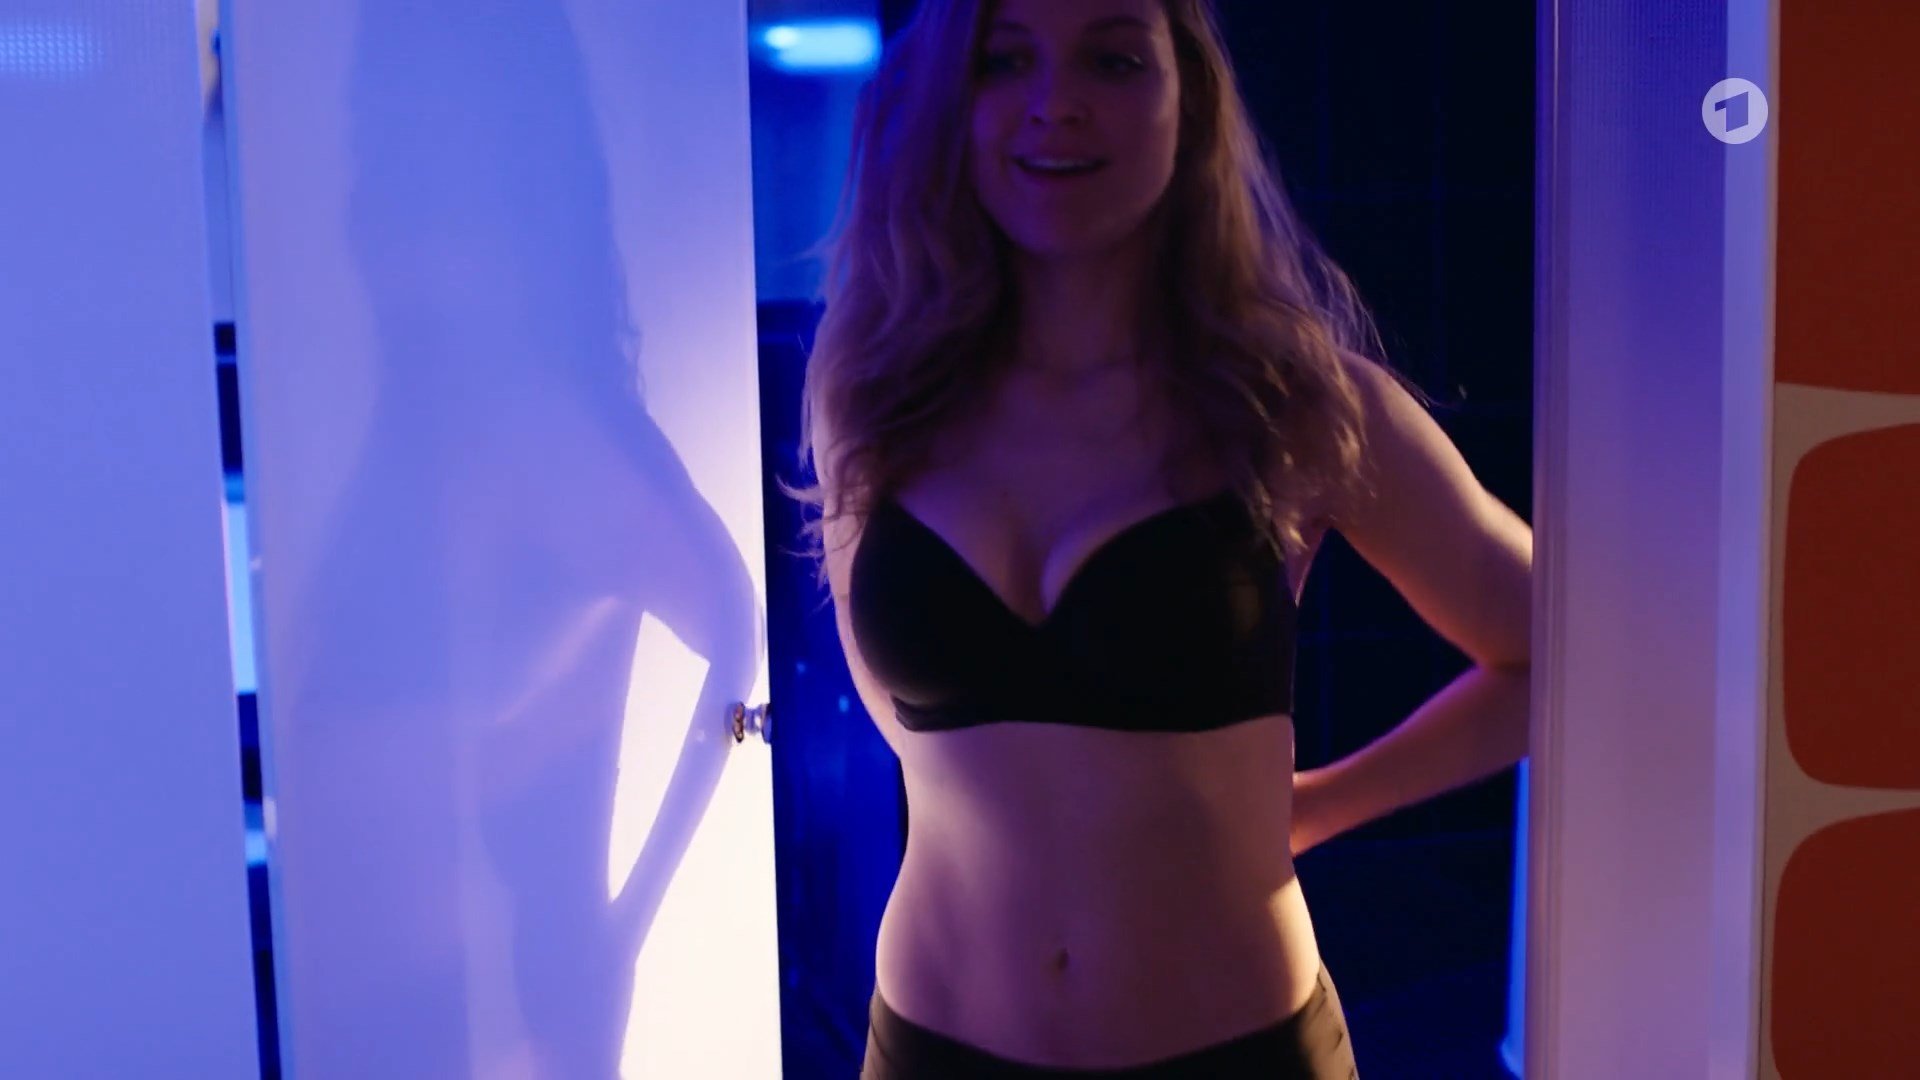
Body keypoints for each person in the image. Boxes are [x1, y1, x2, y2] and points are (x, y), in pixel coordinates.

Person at [784, 0, 1535, 1075]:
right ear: (951, 98)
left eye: (1113, 58)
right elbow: (909, 723)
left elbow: (1549, 653)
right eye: (1005, 60)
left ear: (1191, 100)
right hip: (930, 1046)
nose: (1056, 102)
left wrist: (1320, 805)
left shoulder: (1295, 404)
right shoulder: (871, 392)